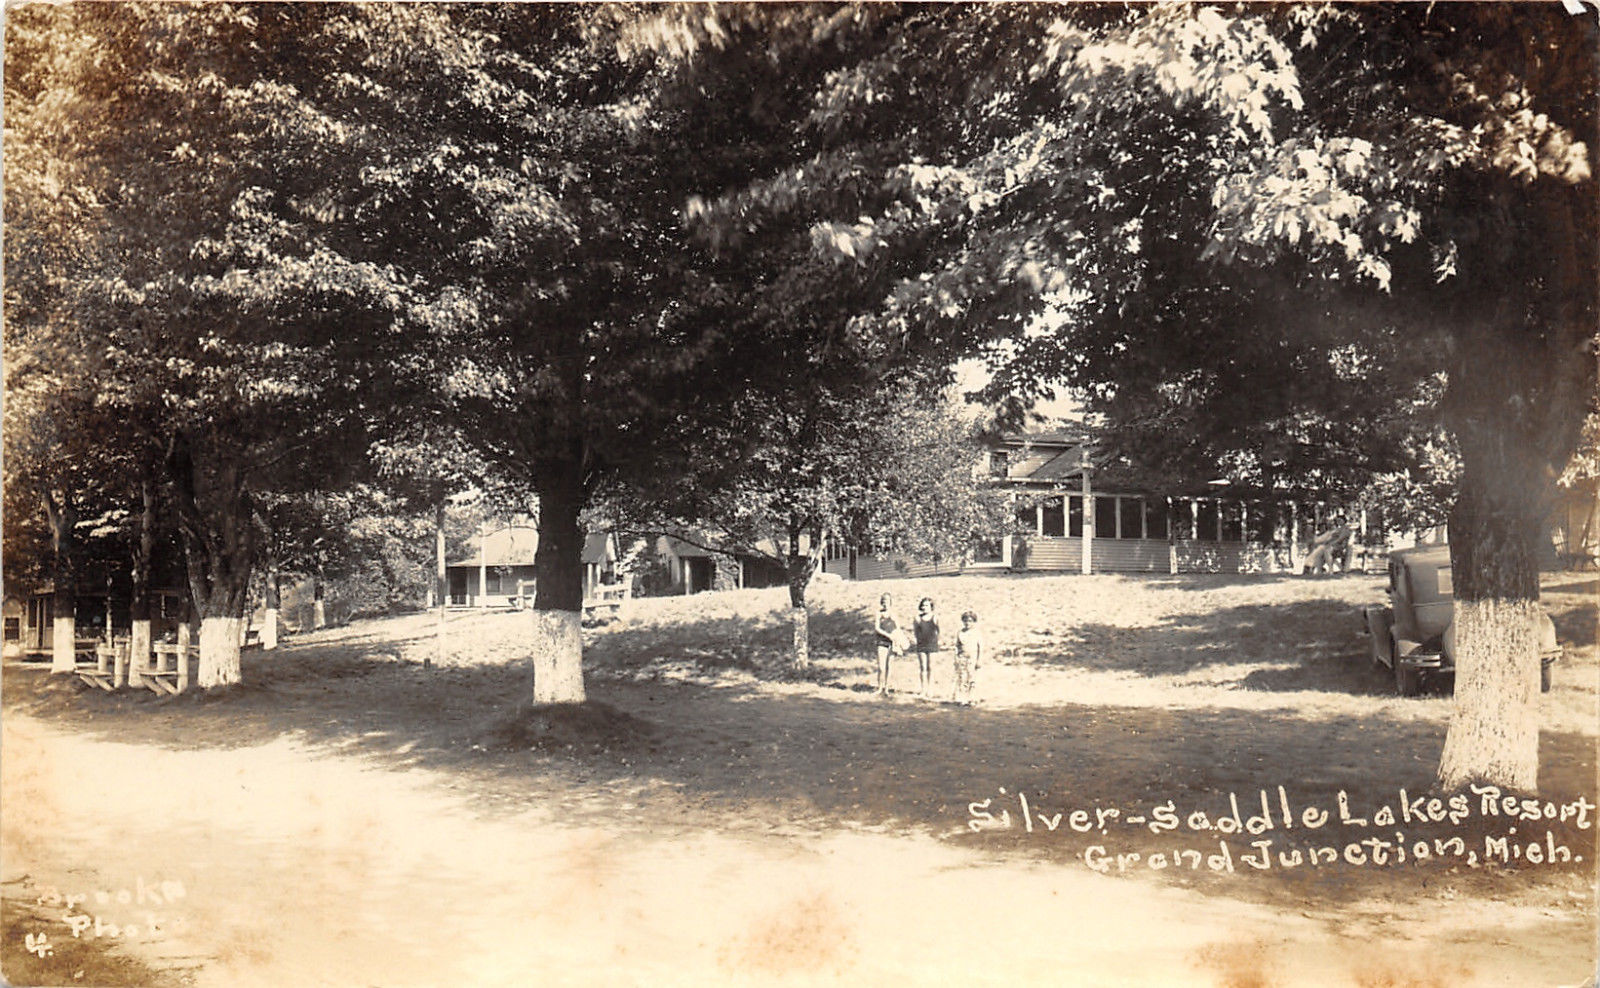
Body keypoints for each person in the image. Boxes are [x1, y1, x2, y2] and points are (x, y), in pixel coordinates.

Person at [953, 609, 983, 705]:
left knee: (972, 678)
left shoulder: (977, 633)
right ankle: (963, 698)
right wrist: (956, 658)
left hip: (973, 658)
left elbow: (981, 648)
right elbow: (957, 646)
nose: (967, 623)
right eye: (965, 620)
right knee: (962, 678)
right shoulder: (960, 633)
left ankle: (972, 698)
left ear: (974, 622)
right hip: (962, 658)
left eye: (970, 621)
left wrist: (979, 660)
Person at [912, 597, 940, 697]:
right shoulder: (917, 618)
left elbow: (939, 631)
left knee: (931, 667)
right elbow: (915, 632)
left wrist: (937, 642)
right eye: (923, 605)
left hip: (932, 645)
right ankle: (923, 689)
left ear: (931, 607)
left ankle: (930, 689)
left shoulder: (935, 618)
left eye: (927, 605)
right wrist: (918, 641)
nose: (925, 607)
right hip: (921, 645)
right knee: (923, 667)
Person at [873, 593, 898, 695]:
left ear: (890, 602)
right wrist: (888, 635)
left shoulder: (894, 614)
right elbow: (877, 628)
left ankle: (887, 688)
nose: (885, 603)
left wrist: (896, 640)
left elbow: (897, 628)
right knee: (881, 667)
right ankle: (880, 688)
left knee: (889, 666)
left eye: (887, 601)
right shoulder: (878, 613)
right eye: (883, 601)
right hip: (882, 641)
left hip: (892, 642)